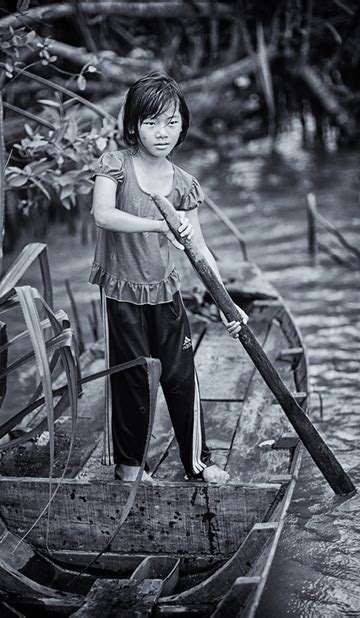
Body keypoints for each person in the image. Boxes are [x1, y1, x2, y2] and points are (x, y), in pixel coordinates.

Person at [89, 72, 248, 484]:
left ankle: (198, 463)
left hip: (166, 293)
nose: (163, 133)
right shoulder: (115, 165)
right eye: (152, 122)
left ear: (183, 126)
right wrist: (159, 226)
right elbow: (102, 215)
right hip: (124, 295)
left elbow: (200, 247)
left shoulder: (184, 184)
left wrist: (228, 305)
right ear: (133, 126)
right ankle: (129, 467)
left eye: (172, 122)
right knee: (135, 380)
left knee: (181, 378)